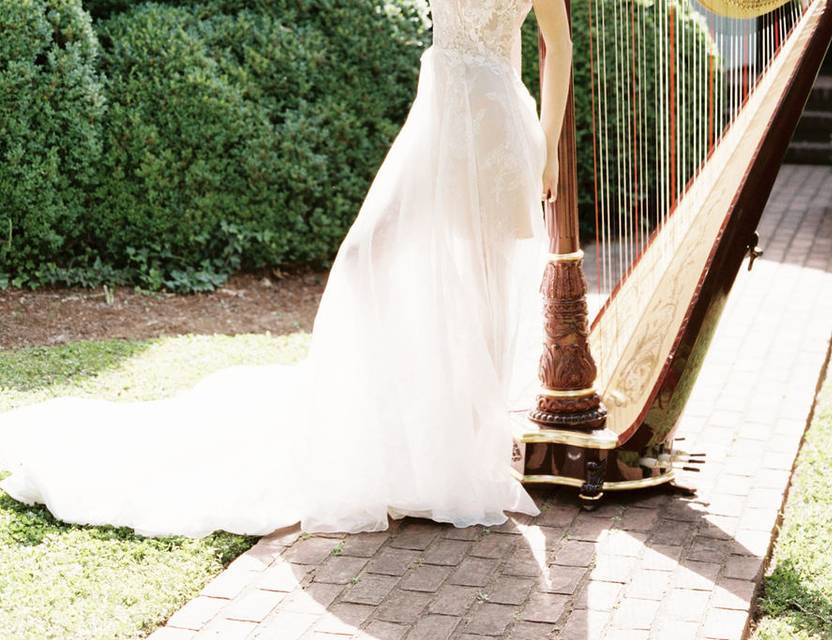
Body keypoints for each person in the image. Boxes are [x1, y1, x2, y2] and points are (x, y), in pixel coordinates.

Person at [0, 0, 573, 538]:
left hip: (498, 135)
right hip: (436, 130)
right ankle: (387, 417)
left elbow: (559, 45)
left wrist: (547, 148)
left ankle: (472, 455)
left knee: (488, 290)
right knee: (361, 259)